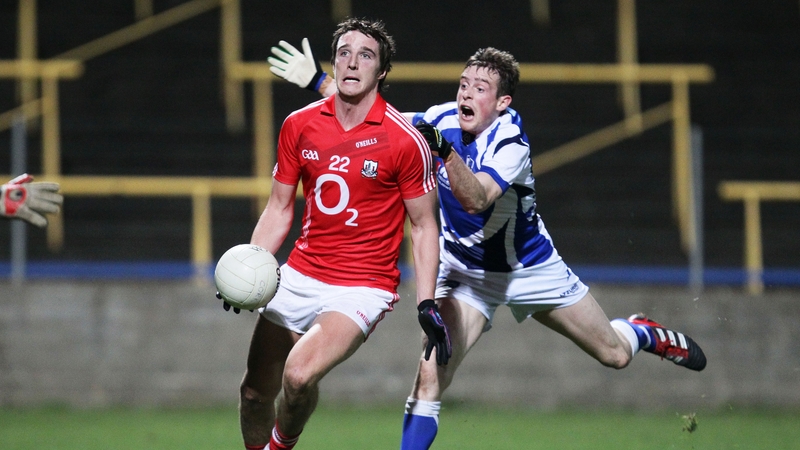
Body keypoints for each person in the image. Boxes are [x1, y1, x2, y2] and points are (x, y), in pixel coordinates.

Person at [269, 40, 707, 449]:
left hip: (530, 269)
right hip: (463, 274)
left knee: (614, 355)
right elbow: (379, 121)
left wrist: (443, 152)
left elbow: (476, 199)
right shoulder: (439, 121)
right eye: (464, 84)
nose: (467, 94)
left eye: (481, 88)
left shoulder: (510, 141)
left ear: (502, 103)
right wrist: (318, 81)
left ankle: (641, 331)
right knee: (429, 378)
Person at [222, 18, 445, 450]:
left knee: (299, 375)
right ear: (333, 62)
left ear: (381, 71)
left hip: (362, 287)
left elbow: (423, 225)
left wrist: (427, 302)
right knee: (253, 394)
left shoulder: (404, 140)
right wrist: (250, 265)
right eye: (344, 52)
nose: (352, 62)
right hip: (302, 273)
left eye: (366, 55)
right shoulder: (299, 125)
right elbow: (279, 207)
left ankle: (280, 445)